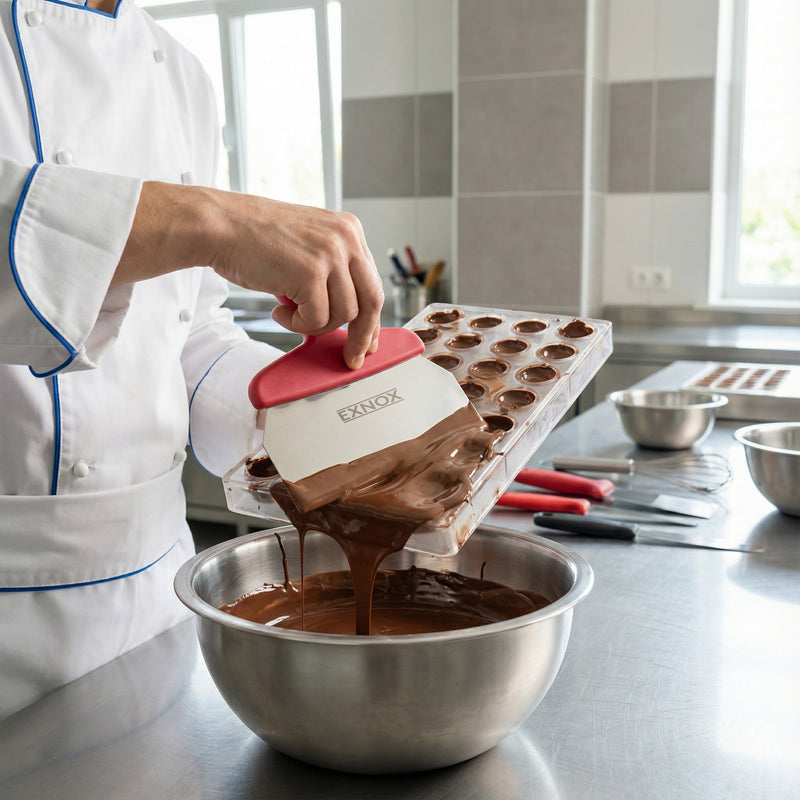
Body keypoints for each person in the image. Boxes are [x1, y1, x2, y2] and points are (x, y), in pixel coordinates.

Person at [0, 0, 383, 718]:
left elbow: (189, 334)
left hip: (160, 602)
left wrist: (306, 421)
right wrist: (207, 217)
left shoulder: (178, 71)